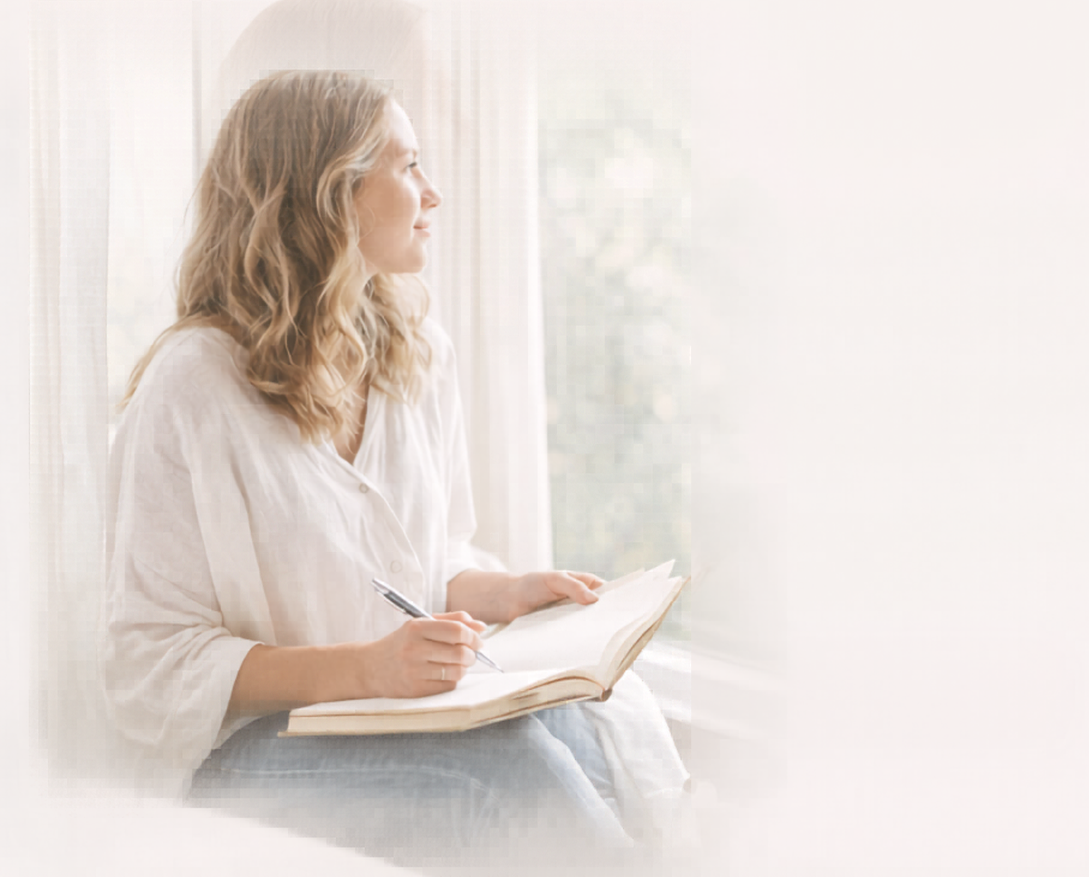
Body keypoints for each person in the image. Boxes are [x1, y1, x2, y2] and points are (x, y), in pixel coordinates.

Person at [101, 69, 687, 872]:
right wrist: (366, 668)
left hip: (390, 716)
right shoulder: (192, 387)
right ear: (330, 194)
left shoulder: (415, 353)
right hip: (251, 757)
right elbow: (150, 664)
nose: (432, 194)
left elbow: (422, 565)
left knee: (583, 729)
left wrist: (505, 593)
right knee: (515, 772)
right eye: (408, 166)